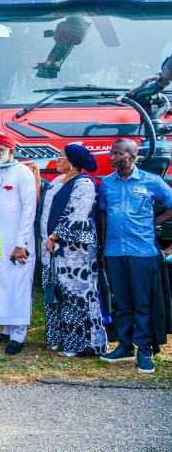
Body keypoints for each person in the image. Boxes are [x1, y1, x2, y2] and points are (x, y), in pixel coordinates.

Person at [99, 138, 172, 373]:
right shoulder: (107, 184)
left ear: (132, 156)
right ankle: (125, 345)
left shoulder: (152, 181)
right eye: (112, 153)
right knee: (121, 301)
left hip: (143, 252)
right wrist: (102, 246)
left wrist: (155, 221)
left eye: (118, 154)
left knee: (142, 303)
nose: (112, 158)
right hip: (114, 251)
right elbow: (102, 215)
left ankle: (144, 350)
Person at [40, 144, 108, 358]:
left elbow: (77, 215)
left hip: (74, 253)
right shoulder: (55, 182)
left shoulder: (85, 183)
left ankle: (78, 344)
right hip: (52, 253)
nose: (57, 160)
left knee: (74, 297)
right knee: (55, 295)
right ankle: (57, 339)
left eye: (61, 157)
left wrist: (54, 236)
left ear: (72, 162)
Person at [0, 135, 37, 355]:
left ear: (11, 151)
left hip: (18, 244)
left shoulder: (23, 172)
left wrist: (20, 243)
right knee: (2, 285)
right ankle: (6, 330)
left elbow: (29, 209)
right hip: (0, 243)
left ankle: (19, 336)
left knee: (18, 286)